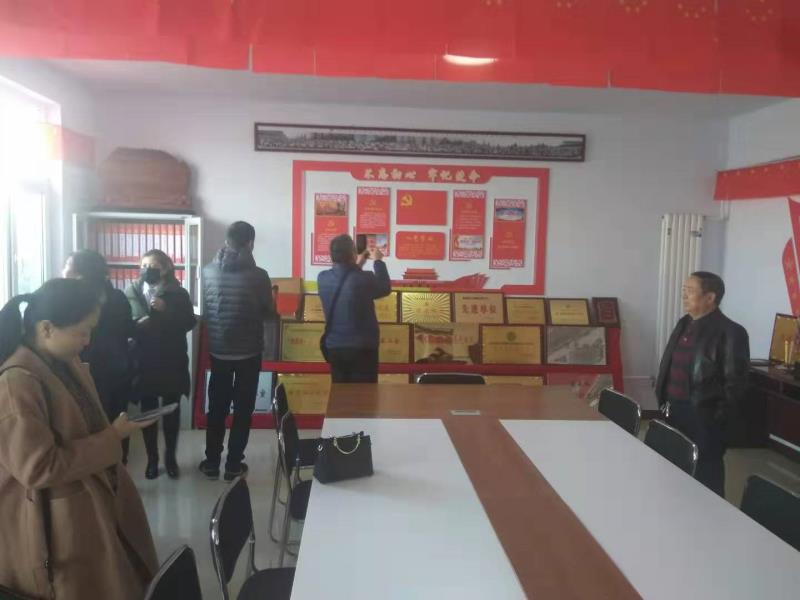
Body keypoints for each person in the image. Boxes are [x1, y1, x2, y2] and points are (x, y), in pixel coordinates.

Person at [0, 278, 158, 600]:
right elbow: (39, 467)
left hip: (90, 495)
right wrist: (112, 438)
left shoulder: (63, 361)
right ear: (46, 328)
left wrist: (114, 434)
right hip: (55, 518)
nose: (87, 341)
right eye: (82, 332)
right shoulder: (16, 384)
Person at [655, 271, 750, 497]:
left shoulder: (731, 332)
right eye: (684, 290)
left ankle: (711, 514)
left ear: (710, 297)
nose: (684, 296)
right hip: (673, 409)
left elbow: (735, 384)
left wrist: (716, 419)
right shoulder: (684, 323)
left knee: (706, 476)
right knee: (675, 468)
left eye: (690, 291)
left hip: (704, 415)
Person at [200, 221, 275, 481]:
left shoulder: (207, 271)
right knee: (243, 409)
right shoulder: (259, 276)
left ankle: (211, 462)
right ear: (250, 243)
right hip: (248, 352)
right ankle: (233, 464)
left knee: (217, 407)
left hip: (219, 350)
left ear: (227, 240)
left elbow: (206, 308)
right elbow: (268, 311)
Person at [126, 249, 196, 480]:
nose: (147, 269)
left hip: (171, 359)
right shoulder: (132, 290)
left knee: (171, 409)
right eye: (144, 265)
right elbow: (125, 323)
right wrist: (139, 323)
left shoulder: (178, 292)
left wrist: (167, 310)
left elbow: (189, 322)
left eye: (153, 266)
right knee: (147, 411)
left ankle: (170, 458)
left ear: (165, 268)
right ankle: (152, 459)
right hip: (143, 359)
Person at [63, 249, 136, 463]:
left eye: (67, 265)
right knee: (119, 420)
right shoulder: (118, 296)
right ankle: (120, 465)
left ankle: (103, 469)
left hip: (88, 369)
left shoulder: (76, 299)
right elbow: (129, 330)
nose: (63, 270)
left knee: (94, 424)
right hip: (119, 369)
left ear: (80, 272)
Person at [317, 234, 391, 383]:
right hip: (363, 348)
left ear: (331, 256)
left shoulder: (322, 278)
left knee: (340, 392)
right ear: (352, 254)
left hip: (335, 347)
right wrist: (378, 261)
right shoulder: (365, 278)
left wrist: (358, 264)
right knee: (364, 394)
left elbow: (348, 280)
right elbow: (384, 287)